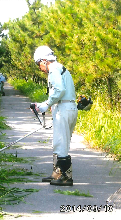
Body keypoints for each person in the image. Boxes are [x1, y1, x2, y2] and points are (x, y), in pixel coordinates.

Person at [32, 45, 78, 186]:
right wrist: (50, 104)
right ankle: (56, 174)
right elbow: (61, 92)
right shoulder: (61, 68)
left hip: (63, 108)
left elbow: (59, 90)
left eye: (39, 64)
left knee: (60, 142)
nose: (40, 68)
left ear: (45, 60)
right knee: (61, 142)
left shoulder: (53, 69)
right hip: (68, 106)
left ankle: (65, 177)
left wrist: (46, 104)